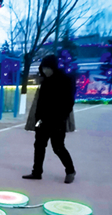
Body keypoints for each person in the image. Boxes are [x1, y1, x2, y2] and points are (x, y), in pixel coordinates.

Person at [23, 55, 76, 184]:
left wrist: (61, 118)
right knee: (39, 146)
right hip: (42, 121)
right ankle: (37, 172)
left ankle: (70, 171)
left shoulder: (65, 80)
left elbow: (69, 102)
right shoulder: (44, 82)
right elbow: (40, 104)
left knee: (58, 147)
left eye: (47, 68)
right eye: (43, 68)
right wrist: (37, 122)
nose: (45, 71)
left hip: (57, 121)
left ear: (53, 67)